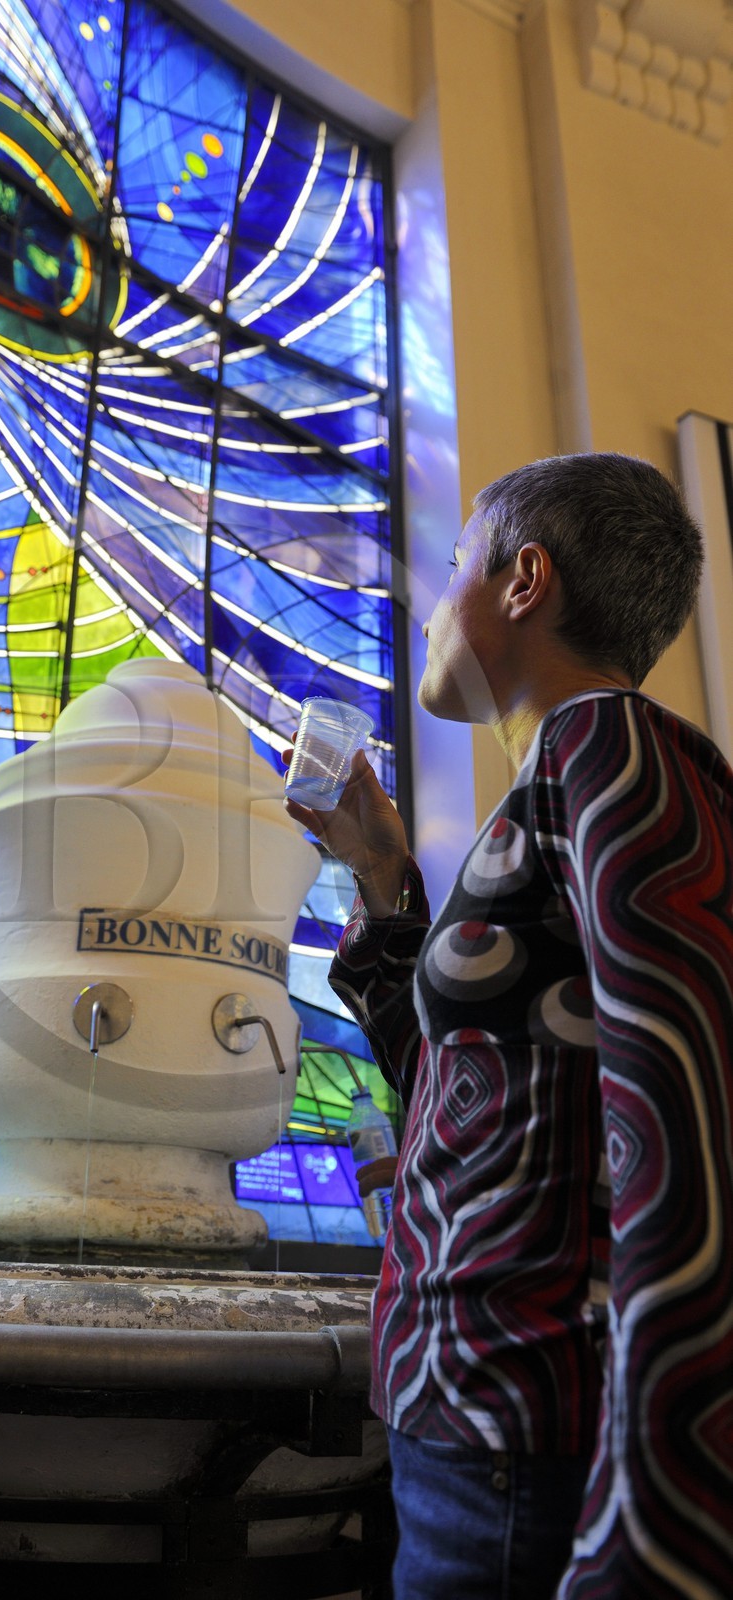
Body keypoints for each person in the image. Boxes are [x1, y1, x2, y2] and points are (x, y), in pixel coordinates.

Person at [285, 454, 733, 1599]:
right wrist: (383, 875)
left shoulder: (612, 748)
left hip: (535, 1432)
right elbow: (458, 1091)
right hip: (466, 1420)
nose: (433, 608)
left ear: (525, 579)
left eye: (450, 572)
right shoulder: (556, 781)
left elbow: (689, 1119)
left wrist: (654, 1510)